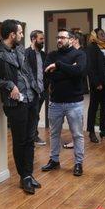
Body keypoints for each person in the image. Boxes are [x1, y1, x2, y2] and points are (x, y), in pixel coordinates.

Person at [0, 19, 40, 195]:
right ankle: (23, 177)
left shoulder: (21, 49)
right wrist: (9, 85)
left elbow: (28, 72)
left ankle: (29, 174)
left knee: (31, 139)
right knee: (20, 140)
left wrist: (38, 91)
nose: (23, 36)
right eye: (20, 33)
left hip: (32, 99)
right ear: (12, 35)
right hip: (15, 103)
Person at [41, 29, 88, 177]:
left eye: (63, 37)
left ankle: (78, 163)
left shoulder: (79, 54)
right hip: (55, 102)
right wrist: (70, 69)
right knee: (54, 134)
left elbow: (79, 71)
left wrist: (59, 66)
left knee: (77, 135)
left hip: (74, 103)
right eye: (58, 37)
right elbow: (49, 75)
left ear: (71, 39)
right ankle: (54, 160)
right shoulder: (51, 55)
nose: (59, 40)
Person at [25, 30, 47, 146]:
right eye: (41, 39)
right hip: (31, 91)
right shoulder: (26, 53)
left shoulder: (43, 55)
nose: (43, 41)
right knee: (32, 115)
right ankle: (31, 137)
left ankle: (33, 135)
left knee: (36, 114)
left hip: (42, 90)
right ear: (34, 39)